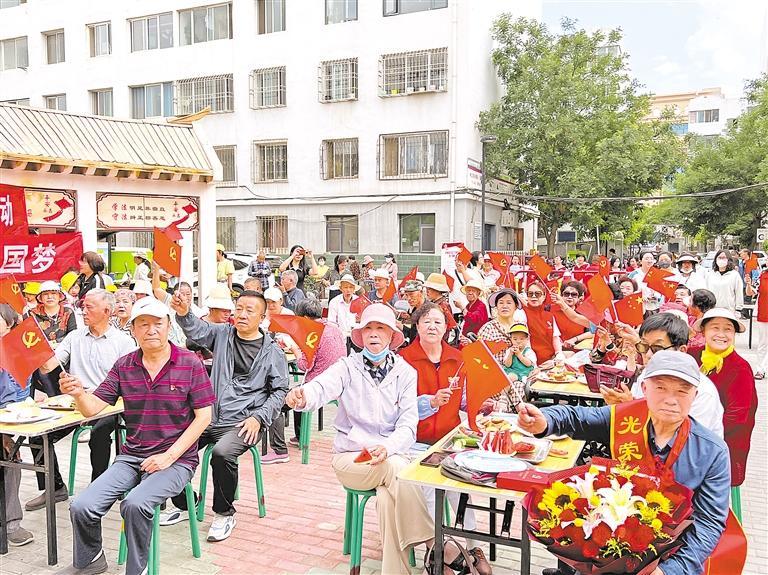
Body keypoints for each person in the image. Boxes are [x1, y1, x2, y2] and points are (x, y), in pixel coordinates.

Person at [522, 351, 730, 575]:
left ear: (695, 395)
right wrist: (546, 421)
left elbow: (709, 523)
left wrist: (669, 570)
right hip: (606, 552)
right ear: (644, 388)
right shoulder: (625, 420)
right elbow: (578, 417)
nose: (671, 399)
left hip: (670, 560)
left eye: (682, 391)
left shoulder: (712, 451)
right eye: (661, 387)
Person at [59, 297, 215, 575]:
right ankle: (91, 560)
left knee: (135, 504)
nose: (151, 330)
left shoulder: (190, 363)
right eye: (143, 324)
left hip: (177, 460)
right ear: (132, 329)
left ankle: (137, 570)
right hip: (131, 457)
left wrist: (169, 457)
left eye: (158, 324)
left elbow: (204, 417)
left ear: (168, 327)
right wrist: (79, 394)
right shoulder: (125, 365)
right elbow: (92, 409)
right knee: (82, 506)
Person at [285, 304, 433, 574]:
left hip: (389, 456)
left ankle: (396, 571)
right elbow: (321, 386)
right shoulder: (347, 367)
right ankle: (435, 544)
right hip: (352, 459)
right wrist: (303, 395)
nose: (374, 334)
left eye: (381, 328)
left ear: (392, 335)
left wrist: (387, 447)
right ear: (361, 334)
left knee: (388, 497)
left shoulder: (406, 373)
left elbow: (408, 425)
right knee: (398, 469)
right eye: (368, 328)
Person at [166, 291, 289, 540]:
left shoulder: (272, 352)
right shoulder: (222, 334)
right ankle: (185, 503)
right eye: (239, 308)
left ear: (262, 317)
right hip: (209, 416)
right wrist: (184, 313)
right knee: (171, 444)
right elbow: (197, 330)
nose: (242, 314)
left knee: (222, 454)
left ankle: (224, 513)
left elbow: (280, 391)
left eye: (249, 310)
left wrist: (259, 418)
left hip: (245, 421)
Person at [29, 290, 136, 512]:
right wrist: (34, 343)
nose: (83, 311)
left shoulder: (124, 342)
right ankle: (54, 487)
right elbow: (47, 367)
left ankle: (99, 488)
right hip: (74, 402)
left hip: (108, 403)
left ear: (107, 311)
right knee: (37, 435)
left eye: (89, 307)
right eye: (83, 307)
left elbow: (129, 382)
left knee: (99, 433)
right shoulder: (74, 337)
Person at [599, 313, 724, 437]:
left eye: (657, 349)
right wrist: (622, 407)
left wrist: (632, 408)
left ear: (681, 351)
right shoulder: (646, 375)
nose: (648, 355)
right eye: (644, 346)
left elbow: (687, 439)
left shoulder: (702, 391)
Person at [690, 308, 757, 486]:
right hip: (688, 437)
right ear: (703, 330)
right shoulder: (692, 355)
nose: (721, 334)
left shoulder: (741, 368)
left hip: (720, 444)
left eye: (728, 329)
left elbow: (737, 417)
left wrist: (698, 436)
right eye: (715, 328)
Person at [285, 297, 346, 447]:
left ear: (305, 318)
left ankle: (299, 437)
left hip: (320, 382)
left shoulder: (313, 333)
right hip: (339, 379)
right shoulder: (334, 328)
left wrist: (295, 350)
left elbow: (305, 365)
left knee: (293, 396)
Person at [0, 303, 35, 547]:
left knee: (10, 459)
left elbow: (20, 395)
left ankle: (11, 524)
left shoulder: (18, 353)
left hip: (7, 420)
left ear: (11, 323)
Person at [477, 288, 527, 410]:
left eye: (509, 302)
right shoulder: (488, 328)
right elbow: (480, 358)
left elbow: (528, 350)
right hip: (494, 375)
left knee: (523, 385)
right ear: (496, 306)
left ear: (515, 306)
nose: (505, 306)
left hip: (519, 373)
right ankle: (517, 414)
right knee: (518, 387)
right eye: (501, 303)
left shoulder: (521, 326)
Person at [522, 280, 562, 366]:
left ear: (544, 297)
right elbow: (522, 340)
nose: (533, 296)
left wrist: (559, 353)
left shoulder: (549, 316)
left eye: (537, 294)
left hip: (551, 360)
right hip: (531, 361)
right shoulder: (521, 313)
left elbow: (555, 337)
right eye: (530, 294)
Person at [32, 281, 77, 348]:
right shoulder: (31, 313)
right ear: (40, 298)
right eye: (45, 294)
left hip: (63, 349)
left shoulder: (68, 312)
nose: (49, 297)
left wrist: (55, 343)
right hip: (40, 350)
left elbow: (73, 335)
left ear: (59, 296)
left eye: (53, 293)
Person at [551, 281, 590, 351]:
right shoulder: (549, 309)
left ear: (579, 298)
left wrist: (574, 339)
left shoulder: (584, 313)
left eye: (574, 295)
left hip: (576, 351)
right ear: (561, 296)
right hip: (554, 351)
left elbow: (593, 331)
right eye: (566, 294)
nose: (569, 297)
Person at [327, 274, 359, 344]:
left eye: (351, 287)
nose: (348, 290)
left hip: (356, 338)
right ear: (341, 288)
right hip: (339, 338)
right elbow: (331, 323)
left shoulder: (358, 301)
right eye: (345, 287)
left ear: (354, 289)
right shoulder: (334, 302)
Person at [748, 268, 768, 379]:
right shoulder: (762, 276)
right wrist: (748, 284)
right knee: (763, 344)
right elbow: (752, 292)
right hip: (764, 314)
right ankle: (760, 369)